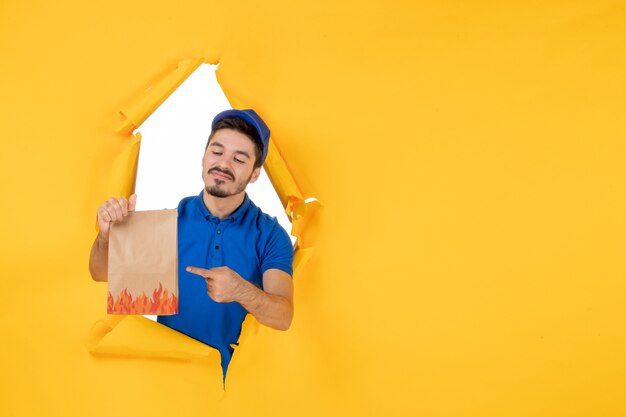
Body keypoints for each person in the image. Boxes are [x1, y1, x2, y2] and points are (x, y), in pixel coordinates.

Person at [89, 109, 294, 377]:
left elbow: (283, 316)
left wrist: (241, 291)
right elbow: (100, 273)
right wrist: (106, 236)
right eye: (217, 151)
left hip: (235, 388)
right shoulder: (171, 222)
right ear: (204, 156)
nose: (223, 164)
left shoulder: (270, 234)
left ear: (255, 173)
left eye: (239, 159)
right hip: (169, 380)